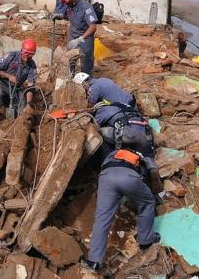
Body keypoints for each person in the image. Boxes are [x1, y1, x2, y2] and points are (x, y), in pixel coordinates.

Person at [72, 73, 161, 273]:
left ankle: (94, 261)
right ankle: (146, 239)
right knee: (147, 200)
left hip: (106, 174)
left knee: (102, 217)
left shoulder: (101, 106)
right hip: (132, 168)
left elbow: (90, 121)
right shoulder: (125, 104)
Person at [0, 39, 37, 136]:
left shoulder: (32, 65)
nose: (27, 57)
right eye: (25, 54)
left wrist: (29, 104)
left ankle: (21, 130)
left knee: (22, 106)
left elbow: (31, 85)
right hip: (1, 82)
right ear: (22, 50)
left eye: (30, 55)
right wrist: (9, 76)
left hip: (16, 88)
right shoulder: (11, 56)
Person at [55, 0, 97, 76]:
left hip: (84, 39)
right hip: (73, 37)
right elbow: (68, 14)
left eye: (68, 3)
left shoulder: (86, 7)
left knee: (85, 63)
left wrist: (80, 39)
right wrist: (60, 16)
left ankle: (87, 82)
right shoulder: (70, 5)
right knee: (71, 60)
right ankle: (72, 79)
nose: (66, 5)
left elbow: (93, 27)